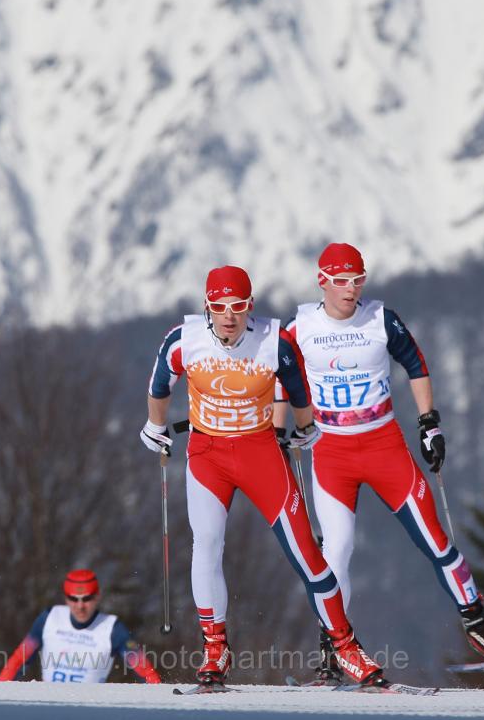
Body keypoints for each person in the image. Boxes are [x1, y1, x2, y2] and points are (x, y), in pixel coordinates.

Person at [278, 242, 484, 682]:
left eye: (358, 280)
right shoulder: (300, 327)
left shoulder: (379, 318)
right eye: (342, 281)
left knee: (434, 539)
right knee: (335, 553)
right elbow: (281, 378)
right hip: (331, 454)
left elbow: (417, 364)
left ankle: (479, 624)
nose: (351, 289)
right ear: (323, 282)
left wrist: (430, 424)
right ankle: (333, 649)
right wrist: (279, 433)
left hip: (384, 446)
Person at [141, 265, 384, 688]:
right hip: (207, 454)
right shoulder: (184, 340)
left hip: (260, 453)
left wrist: (306, 428)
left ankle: (345, 647)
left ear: (250, 306)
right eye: (219, 307)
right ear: (207, 308)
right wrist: (155, 428)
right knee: (206, 545)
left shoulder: (275, 340)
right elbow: (160, 385)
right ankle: (215, 649)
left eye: (237, 307)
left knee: (307, 553)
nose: (229, 316)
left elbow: (299, 388)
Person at [0, 569, 162, 683]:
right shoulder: (49, 618)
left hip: (89, 709)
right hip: (48, 706)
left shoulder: (112, 628)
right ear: (66, 598)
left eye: (87, 598)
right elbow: (19, 659)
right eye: (74, 599)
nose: (80, 606)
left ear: (97, 597)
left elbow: (144, 669)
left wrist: (160, 699)